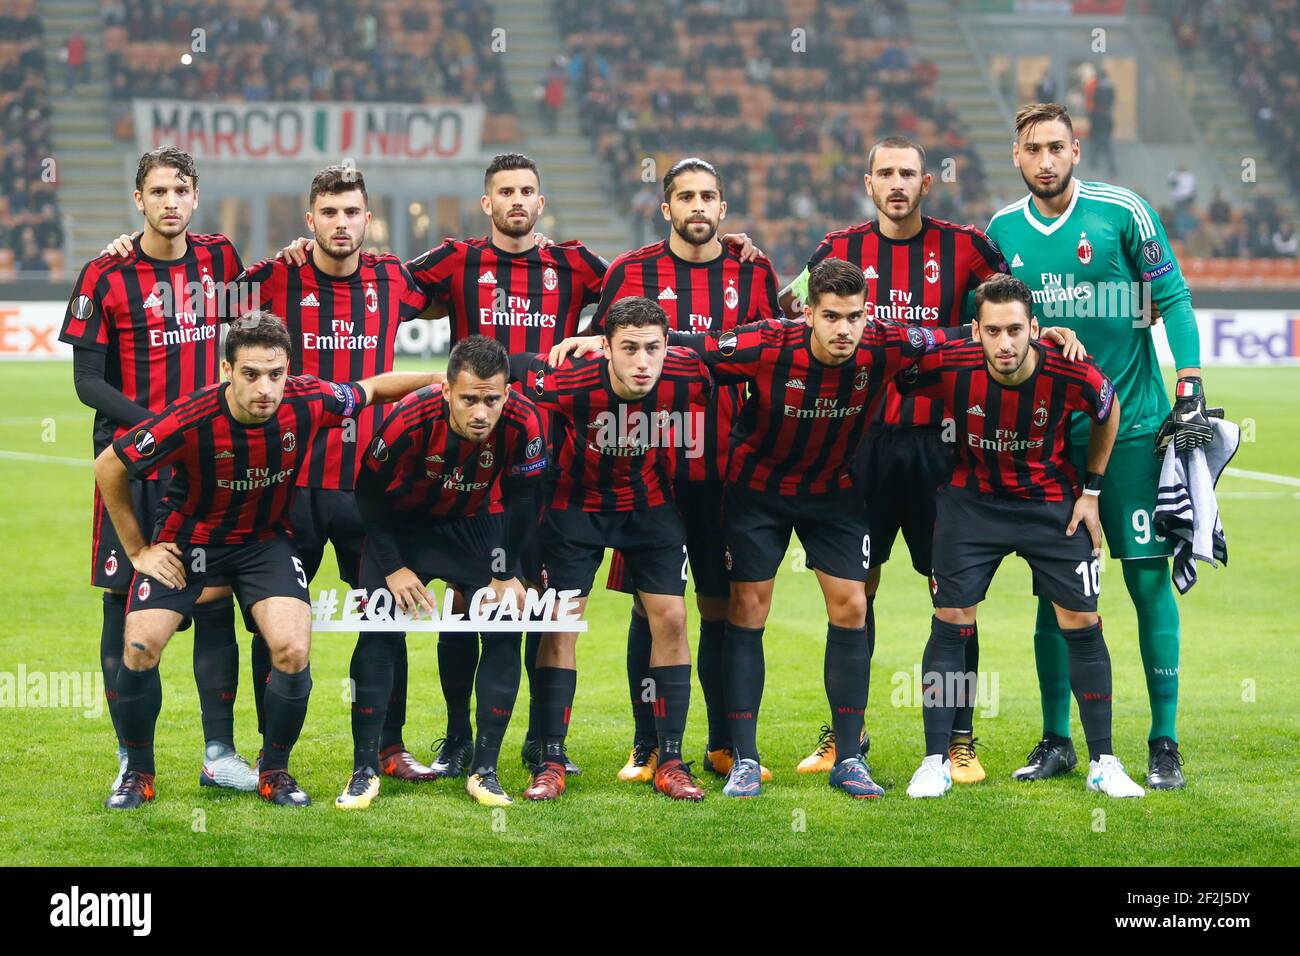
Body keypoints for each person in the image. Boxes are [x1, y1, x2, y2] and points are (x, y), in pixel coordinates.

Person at [94, 312, 438, 809]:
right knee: (142, 645)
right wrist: (137, 551)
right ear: (226, 371)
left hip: (263, 544)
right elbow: (110, 464)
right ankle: (137, 773)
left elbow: (373, 388)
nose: (266, 388)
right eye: (251, 374)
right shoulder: (189, 417)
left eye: (275, 374)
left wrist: (435, 381)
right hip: (188, 544)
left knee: (293, 651)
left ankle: (273, 770)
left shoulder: (307, 398)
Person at [987, 103, 1206, 789]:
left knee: (1145, 579)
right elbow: (997, 322)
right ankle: (1058, 740)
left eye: (1057, 147)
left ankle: (1163, 741)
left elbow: (1172, 299)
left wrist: (1189, 382)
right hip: (1049, 442)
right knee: (1057, 594)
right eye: (1033, 149)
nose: (1046, 160)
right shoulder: (1001, 231)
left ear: (1076, 150)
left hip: (1135, 427)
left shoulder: (1124, 212)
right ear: (1016, 156)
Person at [780, 135, 1007, 784]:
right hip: (861, 449)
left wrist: (928, 339)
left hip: (941, 449)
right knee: (855, 592)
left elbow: (1007, 311)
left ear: (926, 183)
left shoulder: (964, 246)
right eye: (887, 173)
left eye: (909, 173)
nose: (898, 183)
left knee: (953, 596)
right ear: (868, 182)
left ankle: (959, 738)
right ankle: (845, 735)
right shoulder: (837, 249)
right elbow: (793, 312)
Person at [895, 274, 1144, 799]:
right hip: (971, 503)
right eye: (992, 331)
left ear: (1035, 327)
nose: (1004, 343)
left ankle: (1104, 760)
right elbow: (895, 371)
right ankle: (935, 761)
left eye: (1014, 329)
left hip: (1051, 504)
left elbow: (1108, 408)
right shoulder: (952, 362)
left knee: (1083, 621)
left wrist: (1092, 491)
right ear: (975, 331)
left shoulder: (1068, 368)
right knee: (950, 622)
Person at [61, 146, 254, 794]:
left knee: (213, 602)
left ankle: (219, 754)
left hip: (206, 471)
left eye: (181, 190)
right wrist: (159, 429)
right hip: (136, 470)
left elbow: (254, 324)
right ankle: (133, 765)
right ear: (137, 200)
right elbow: (88, 381)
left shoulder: (221, 259)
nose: (170, 202)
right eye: (158, 192)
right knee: (123, 611)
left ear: (195, 198)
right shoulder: (104, 274)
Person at [591, 157, 782, 785]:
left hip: (728, 472)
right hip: (651, 472)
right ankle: (648, 743)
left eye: (709, 197)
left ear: (723, 209)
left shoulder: (752, 270)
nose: (697, 207)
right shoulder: (629, 273)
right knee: (652, 609)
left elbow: (779, 348)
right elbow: (600, 361)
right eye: (685, 197)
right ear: (665, 208)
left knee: (721, 607)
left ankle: (725, 743)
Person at [510, 297, 716, 803]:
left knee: (670, 619)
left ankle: (670, 758)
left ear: (668, 346)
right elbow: (511, 369)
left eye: (652, 348)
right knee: (563, 622)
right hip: (575, 509)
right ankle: (550, 760)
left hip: (650, 507)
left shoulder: (688, 375)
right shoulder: (567, 379)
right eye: (629, 349)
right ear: (606, 348)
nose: (642, 362)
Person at [343, 336, 547, 808]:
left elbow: (522, 499)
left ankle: (485, 769)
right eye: (469, 399)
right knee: (377, 631)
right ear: (446, 391)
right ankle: (365, 769)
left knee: (503, 627)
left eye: (491, 399)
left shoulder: (523, 420)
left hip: (476, 524)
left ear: (506, 393)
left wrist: (503, 572)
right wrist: (393, 568)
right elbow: (367, 489)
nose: (481, 412)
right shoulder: (411, 416)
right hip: (403, 526)